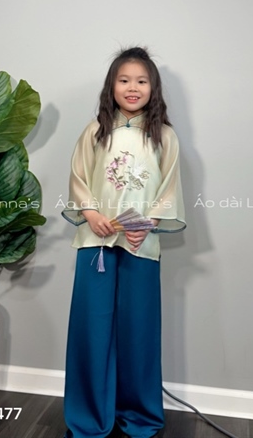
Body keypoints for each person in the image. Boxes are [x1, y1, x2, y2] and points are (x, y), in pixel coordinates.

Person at [61, 46, 186, 438]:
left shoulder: (164, 137)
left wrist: (148, 223)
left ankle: (139, 414)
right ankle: (89, 416)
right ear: (111, 86)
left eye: (142, 81)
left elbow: (169, 189)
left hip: (139, 244)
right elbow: (79, 177)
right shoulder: (95, 132)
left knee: (139, 331)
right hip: (95, 242)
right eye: (125, 80)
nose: (133, 88)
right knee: (92, 329)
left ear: (153, 87)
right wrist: (91, 213)